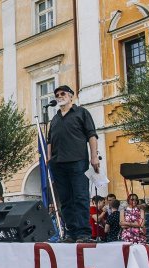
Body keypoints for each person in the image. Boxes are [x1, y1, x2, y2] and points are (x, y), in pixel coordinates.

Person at [47, 85, 99, 243]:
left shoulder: (81, 113)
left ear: (71, 96)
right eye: (57, 94)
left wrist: (94, 156)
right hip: (58, 163)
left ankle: (83, 232)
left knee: (80, 197)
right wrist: (49, 158)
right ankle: (71, 232)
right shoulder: (55, 119)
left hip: (77, 161)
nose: (60, 96)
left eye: (63, 93)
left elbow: (91, 134)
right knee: (65, 200)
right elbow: (50, 140)